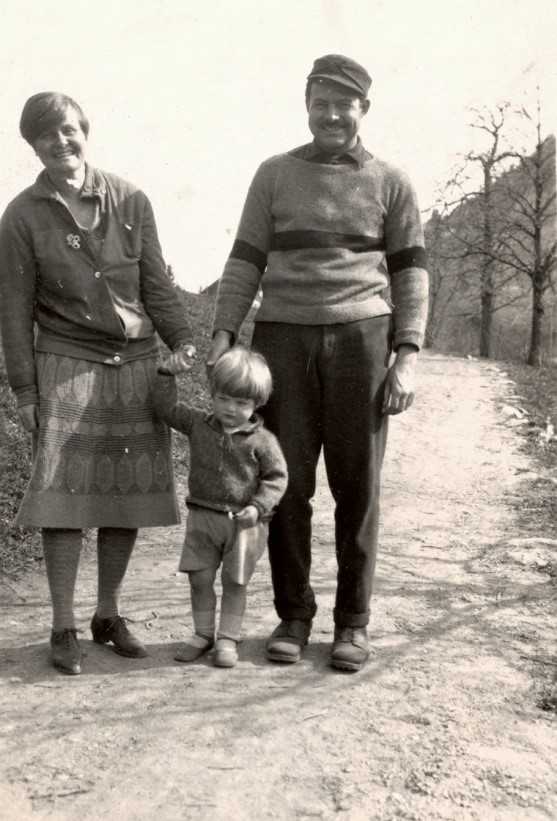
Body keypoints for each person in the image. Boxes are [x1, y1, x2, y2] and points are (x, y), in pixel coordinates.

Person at [208, 54, 429, 672]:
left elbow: (412, 273)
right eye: (320, 103)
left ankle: (352, 624)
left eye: (343, 103)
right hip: (282, 338)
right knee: (286, 483)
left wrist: (405, 355)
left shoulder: (392, 181)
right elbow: (244, 258)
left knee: (358, 488)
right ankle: (293, 615)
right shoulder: (273, 174)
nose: (331, 114)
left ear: (364, 108)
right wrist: (225, 333)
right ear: (306, 106)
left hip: (363, 338)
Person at [0, 92, 196, 675]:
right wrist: (26, 392)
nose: (60, 142)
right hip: (64, 363)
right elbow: (13, 310)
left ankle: (107, 614)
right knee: (61, 500)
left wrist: (182, 339)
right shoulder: (21, 216)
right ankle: (62, 623)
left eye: (67, 130)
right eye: (45, 136)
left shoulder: (131, 198)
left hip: (135, 363)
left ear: (85, 130)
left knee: (124, 494)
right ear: (32, 146)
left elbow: (156, 282)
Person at [153, 345, 287, 667]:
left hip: (244, 526)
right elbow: (166, 408)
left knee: (234, 582)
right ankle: (202, 634)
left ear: (257, 403)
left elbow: (277, 478)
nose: (229, 408)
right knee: (198, 578)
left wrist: (258, 507)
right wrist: (165, 374)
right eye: (223, 398)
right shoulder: (199, 424)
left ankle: (228, 638)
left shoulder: (263, 441)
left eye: (241, 402)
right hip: (202, 518)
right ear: (212, 394)